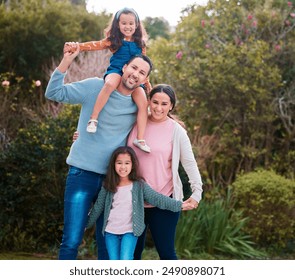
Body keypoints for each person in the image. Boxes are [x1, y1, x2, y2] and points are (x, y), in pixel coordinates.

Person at [45, 42, 153, 260]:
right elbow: (53, 92)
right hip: (81, 174)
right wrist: (67, 60)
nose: (135, 74)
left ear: (144, 80)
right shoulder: (95, 87)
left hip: (113, 182)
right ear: (123, 68)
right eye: (133, 68)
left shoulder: (138, 104)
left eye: (142, 73)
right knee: (72, 240)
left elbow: (159, 120)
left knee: (108, 242)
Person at [127, 84, 203, 260]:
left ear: (171, 106)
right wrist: (81, 135)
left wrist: (197, 192)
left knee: (166, 253)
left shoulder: (177, 131)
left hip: (165, 200)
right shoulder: (137, 121)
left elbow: (189, 163)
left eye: (164, 104)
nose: (158, 108)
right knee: (132, 255)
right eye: (155, 102)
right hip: (134, 200)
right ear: (148, 102)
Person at [64, 7, 151, 153]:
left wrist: (147, 83)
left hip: (133, 76)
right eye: (124, 23)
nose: (127, 26)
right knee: (110, 84)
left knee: (143, 103)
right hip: (117, 71)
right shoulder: (114, 41)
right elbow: (95, 45)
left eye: (131, 23)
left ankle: (140, 138)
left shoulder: (140, 44)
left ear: (136, 25)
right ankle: (94, 118)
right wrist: (78, 46)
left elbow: (144, 65)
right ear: (117, 24)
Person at [86, 146, 192, 260]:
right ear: (113, 165)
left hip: (130, 231)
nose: (123, 167)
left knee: (125, 259)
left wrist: (179, 205)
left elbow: (157, 198)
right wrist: (85, 225)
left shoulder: (139, 185)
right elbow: (97, 208)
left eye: (127, 163)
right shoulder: (107, 186)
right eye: (119, 163)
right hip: (110, 232)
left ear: (132, 165)